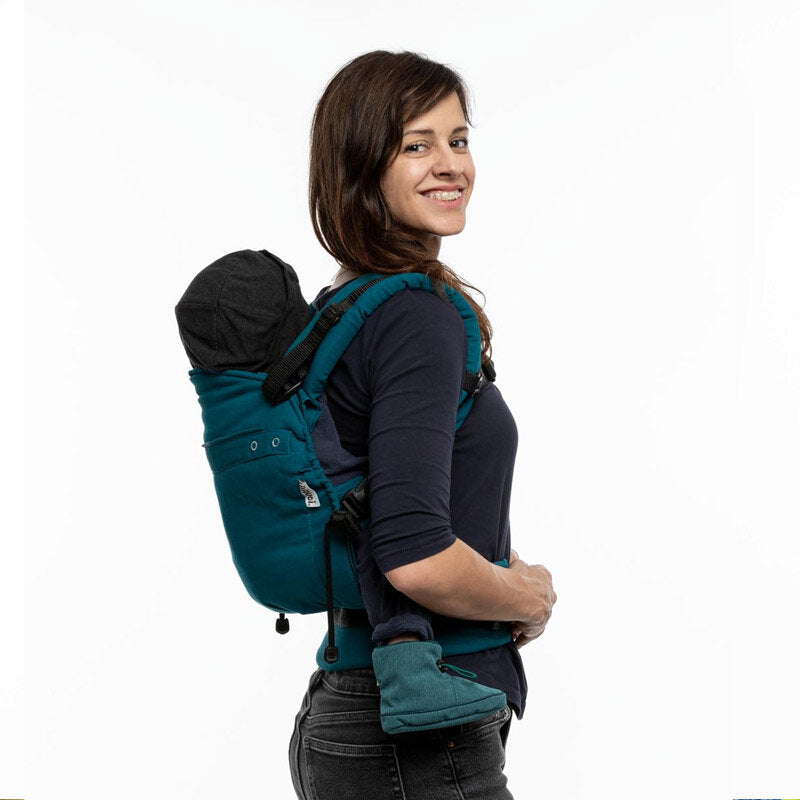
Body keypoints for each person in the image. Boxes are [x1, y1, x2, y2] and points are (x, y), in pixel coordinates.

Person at [288, 50, 557, 800]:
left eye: (458, 139)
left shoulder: (347, 305)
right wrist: (527, 597)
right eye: (417, 144)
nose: (450, 164)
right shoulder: (414, 314)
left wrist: (497, 572)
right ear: (360, 166)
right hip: (417, 735)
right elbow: (414, 554)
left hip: (354, 711)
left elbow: (383, 504)